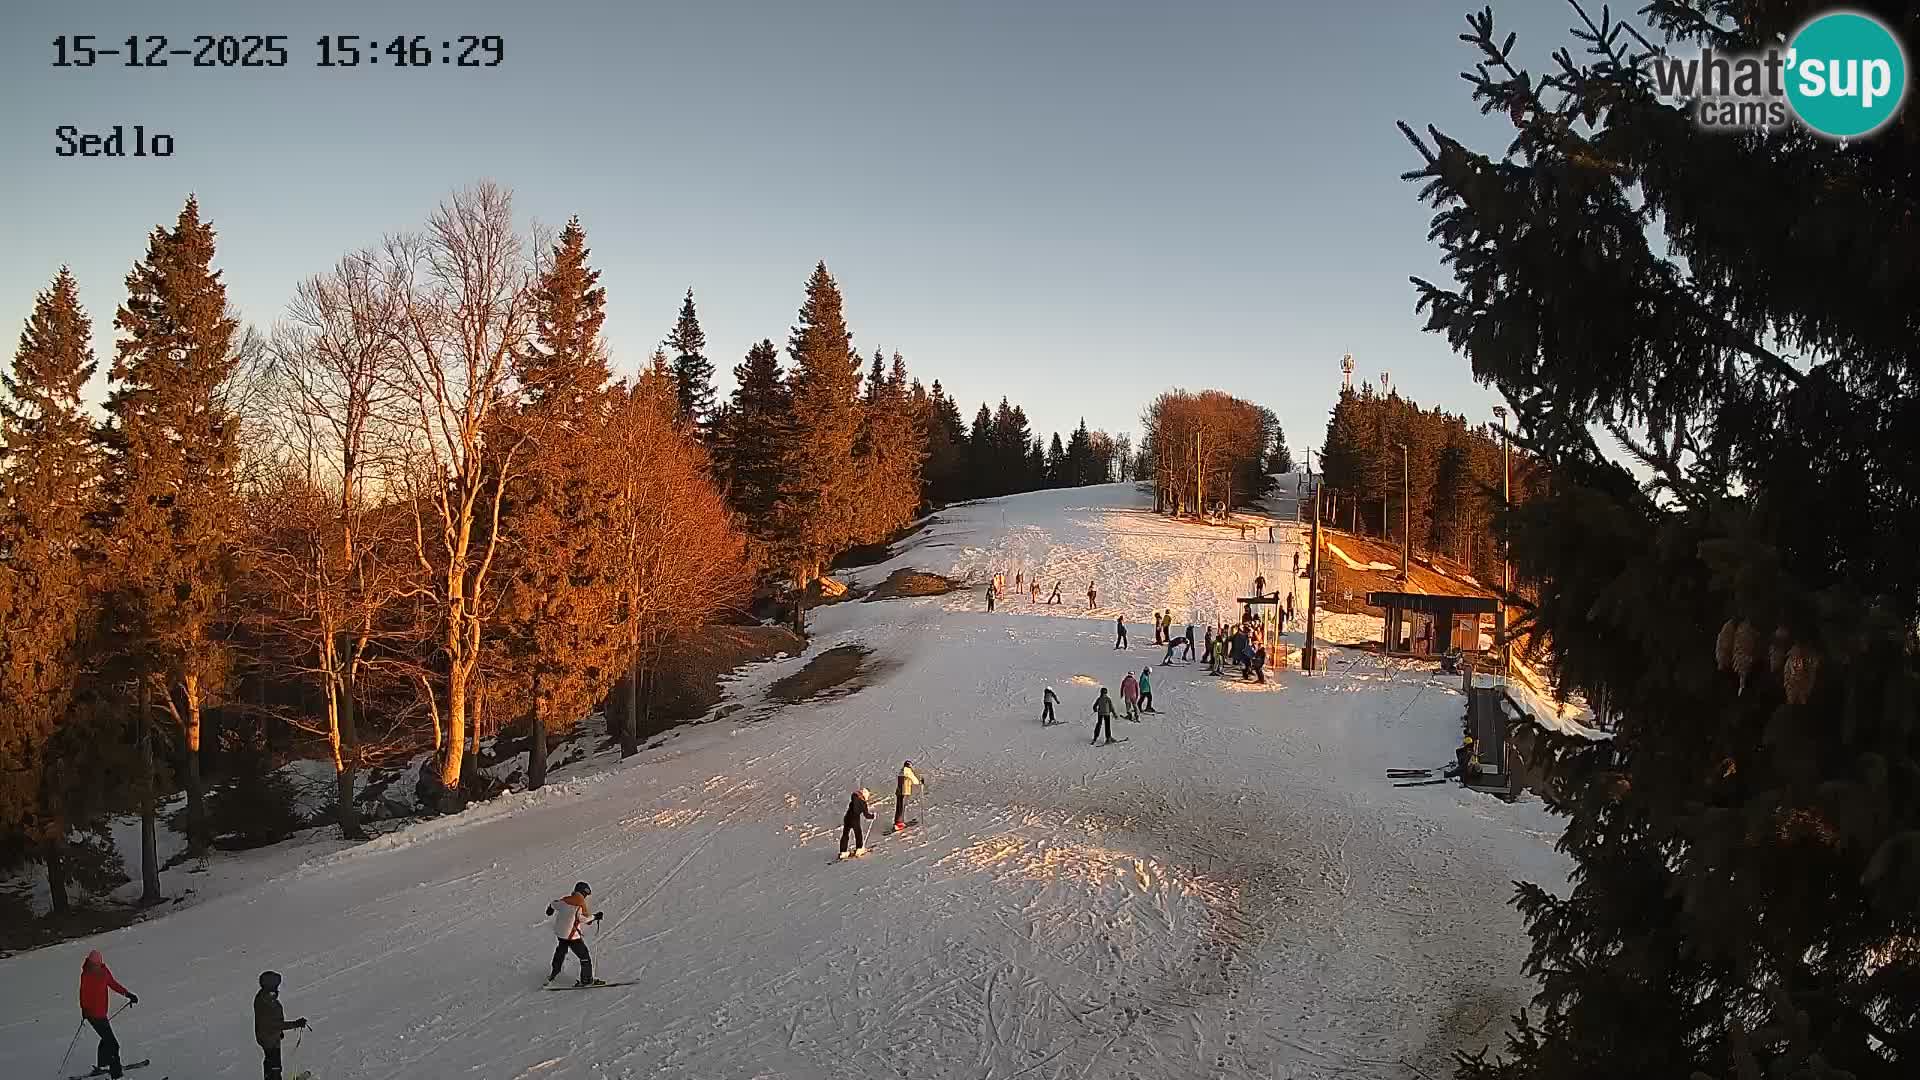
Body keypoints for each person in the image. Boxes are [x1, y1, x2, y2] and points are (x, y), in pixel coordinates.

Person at [79, 949, 135, 1079]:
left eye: (97, 964)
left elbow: (113, 984)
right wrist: (84, 1009)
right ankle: (116, 1074)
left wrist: (127, 994)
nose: (95, 967)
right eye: (93, 965)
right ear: (89, 963)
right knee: (113, 1044)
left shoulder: (104, 972)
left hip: (102, 1013)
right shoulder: (86, 975)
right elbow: (83, 994)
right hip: (93, 1015)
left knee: (106, 1038)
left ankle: (103, 1065)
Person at [546, 881, 603, 985]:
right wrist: (595, 917)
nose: (585, 897)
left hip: (561, 934)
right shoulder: (580, 904)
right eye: (585, 894)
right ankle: (586, 980)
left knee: (560, 953)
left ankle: (554, 974)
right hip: (571, 936)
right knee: (584, 956)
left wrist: (549, 910)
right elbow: (583, 919)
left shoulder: (565, 900)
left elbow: (553, 904)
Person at [254, 971, 308, 1080]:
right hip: (269, 1039)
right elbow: (274, 1024)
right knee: (274, 1066)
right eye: (276, 984)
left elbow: (270, 1023)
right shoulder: (267, 1002)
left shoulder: (264, 996)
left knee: (271, 1062)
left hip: (269, 1037)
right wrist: (296, 1024)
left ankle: (271, 1076)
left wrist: (279, 1032)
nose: (278, 987)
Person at [841, 788, 875, 858]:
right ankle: (859, 848)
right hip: (855, 820)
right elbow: (866, 815)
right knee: (858, 834)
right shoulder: (863, 803)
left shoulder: (853, 798)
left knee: (845, 834)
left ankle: (843, 851)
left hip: (847, 818)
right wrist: (872, 816)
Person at [894, 761, 921, 830]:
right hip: (904, 791)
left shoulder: (901, 771)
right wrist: (920, 782)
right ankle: (899, 822)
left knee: (899, 806)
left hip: (899, 791)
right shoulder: (907, 770)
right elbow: (914, 779)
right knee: (902, 807)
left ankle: (897, 821)